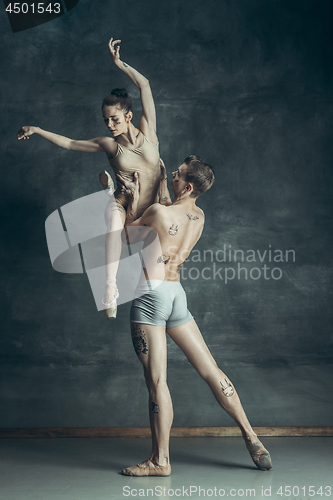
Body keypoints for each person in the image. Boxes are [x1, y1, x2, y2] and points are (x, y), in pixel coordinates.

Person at [119, 155, 272, 476]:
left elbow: (127, 236)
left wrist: (127, 200)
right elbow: (167, 212)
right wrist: (161, 179)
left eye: (177, 175)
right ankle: (251, 434)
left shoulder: (159, 212)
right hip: (176, 294)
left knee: (157, 380)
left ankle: (160, 461)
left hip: (151, 295)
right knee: (210, 369)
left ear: (187, 185)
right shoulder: (199, 216)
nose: (172, 175)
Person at [17, 38, 161, 318]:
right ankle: (109, 287)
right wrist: (38, 129)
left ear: (129, 116)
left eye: (115, 119)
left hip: (153, 206)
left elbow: (145, 85)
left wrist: (119, 64)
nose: (109, 125)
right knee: (113, 217)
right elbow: (70, 144)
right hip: (126, 203)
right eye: (106, 120)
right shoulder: (110, 145)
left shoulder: (150, 133)